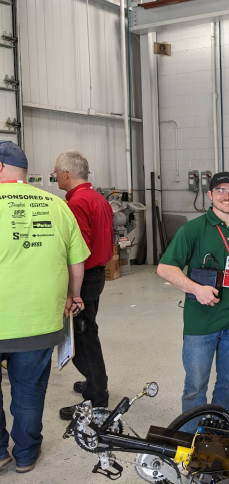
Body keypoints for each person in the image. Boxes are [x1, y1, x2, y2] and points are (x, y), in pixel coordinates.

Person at [0, 141, 89, 473]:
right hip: (39, 321)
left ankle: (0, 453)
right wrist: (73, 295)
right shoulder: (57, 205)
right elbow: (76, 261)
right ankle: (25, 454)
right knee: (29, 393)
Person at [157, 172, 229, 424]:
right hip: (201, 324)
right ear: (210, 195)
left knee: (228, 382)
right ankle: (190, 439)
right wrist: (196, 289)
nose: (226, 196)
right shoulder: (193, 229)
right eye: (220, 190)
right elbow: (165, 268)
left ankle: (218, 435)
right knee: (195, 386)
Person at [54, 151, 114, 420]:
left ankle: (97, 400)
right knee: (89, 329)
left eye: (56, 172)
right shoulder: (98, 198)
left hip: (85, 278)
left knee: (83, 339)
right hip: (97, 275)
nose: (55, 176)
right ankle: (94, 384)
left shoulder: (77, 203)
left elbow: (78, 251)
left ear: (67, 173)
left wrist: (71, 291)